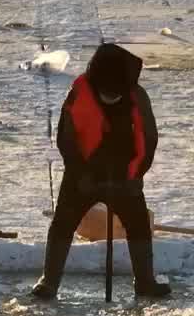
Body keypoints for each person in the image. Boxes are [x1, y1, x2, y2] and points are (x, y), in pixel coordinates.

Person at [32, 43, 169, 300]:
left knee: (138, 224)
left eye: (116, 92)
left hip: (124, 176)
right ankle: (49, 282)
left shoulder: (138, 98)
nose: (111, 95)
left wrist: (134, 175)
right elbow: (65, 139)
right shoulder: (78, 94)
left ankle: (145, 282)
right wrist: (80, 174)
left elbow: (149, 139)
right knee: (63, 223)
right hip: (82, 172)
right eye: (106, 91)